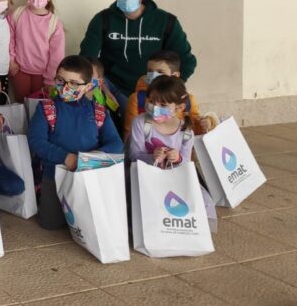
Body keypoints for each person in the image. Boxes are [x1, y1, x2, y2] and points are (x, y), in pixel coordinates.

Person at [79, 0, 197, 111]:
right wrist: (100, 87)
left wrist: (169, 88)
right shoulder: (102, 19)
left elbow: (187, 61)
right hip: (113, 86)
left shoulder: (166, 21)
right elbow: (86, 60)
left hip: (154, 89)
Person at [27, 55, 123, 230]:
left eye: (73, 83)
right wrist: (66, 158)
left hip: (89, 176)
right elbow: (36, 141)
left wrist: (92, 157)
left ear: (87, 86)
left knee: (89, 225)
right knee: (50, 224)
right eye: (60, 80)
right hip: (54, 176)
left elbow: (116, 144)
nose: (65, 87)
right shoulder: (46, 108)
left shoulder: (99, 111)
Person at [126, 75, 216, 230]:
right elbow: (133, 155)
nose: (155, 107)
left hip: (174, 177)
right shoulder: (141, 122)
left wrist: (178, 157)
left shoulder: (186, 131)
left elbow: (186, 163)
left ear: (179, 107)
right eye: (151, 101)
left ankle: (198, 228)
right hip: (145, 174)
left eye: (163, 104)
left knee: (203, 198)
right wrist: (152, 156)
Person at [123, 50, 213, 136]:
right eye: (150, 71)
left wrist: (208, 123)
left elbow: (195, 129)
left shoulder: (188, 100)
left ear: (175, 76)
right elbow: (130, 135)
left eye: (160, 72)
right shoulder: (138, 100)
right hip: (148, 150)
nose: (154, 76)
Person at [9, 0, 66, 100]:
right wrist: (11, 60)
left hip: (43, 74)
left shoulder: (54, 22)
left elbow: (57, 55)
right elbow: (9, 39)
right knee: (21, 104)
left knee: (40, 106)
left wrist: (51, 80)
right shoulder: (18, 14)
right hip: (19, 70)